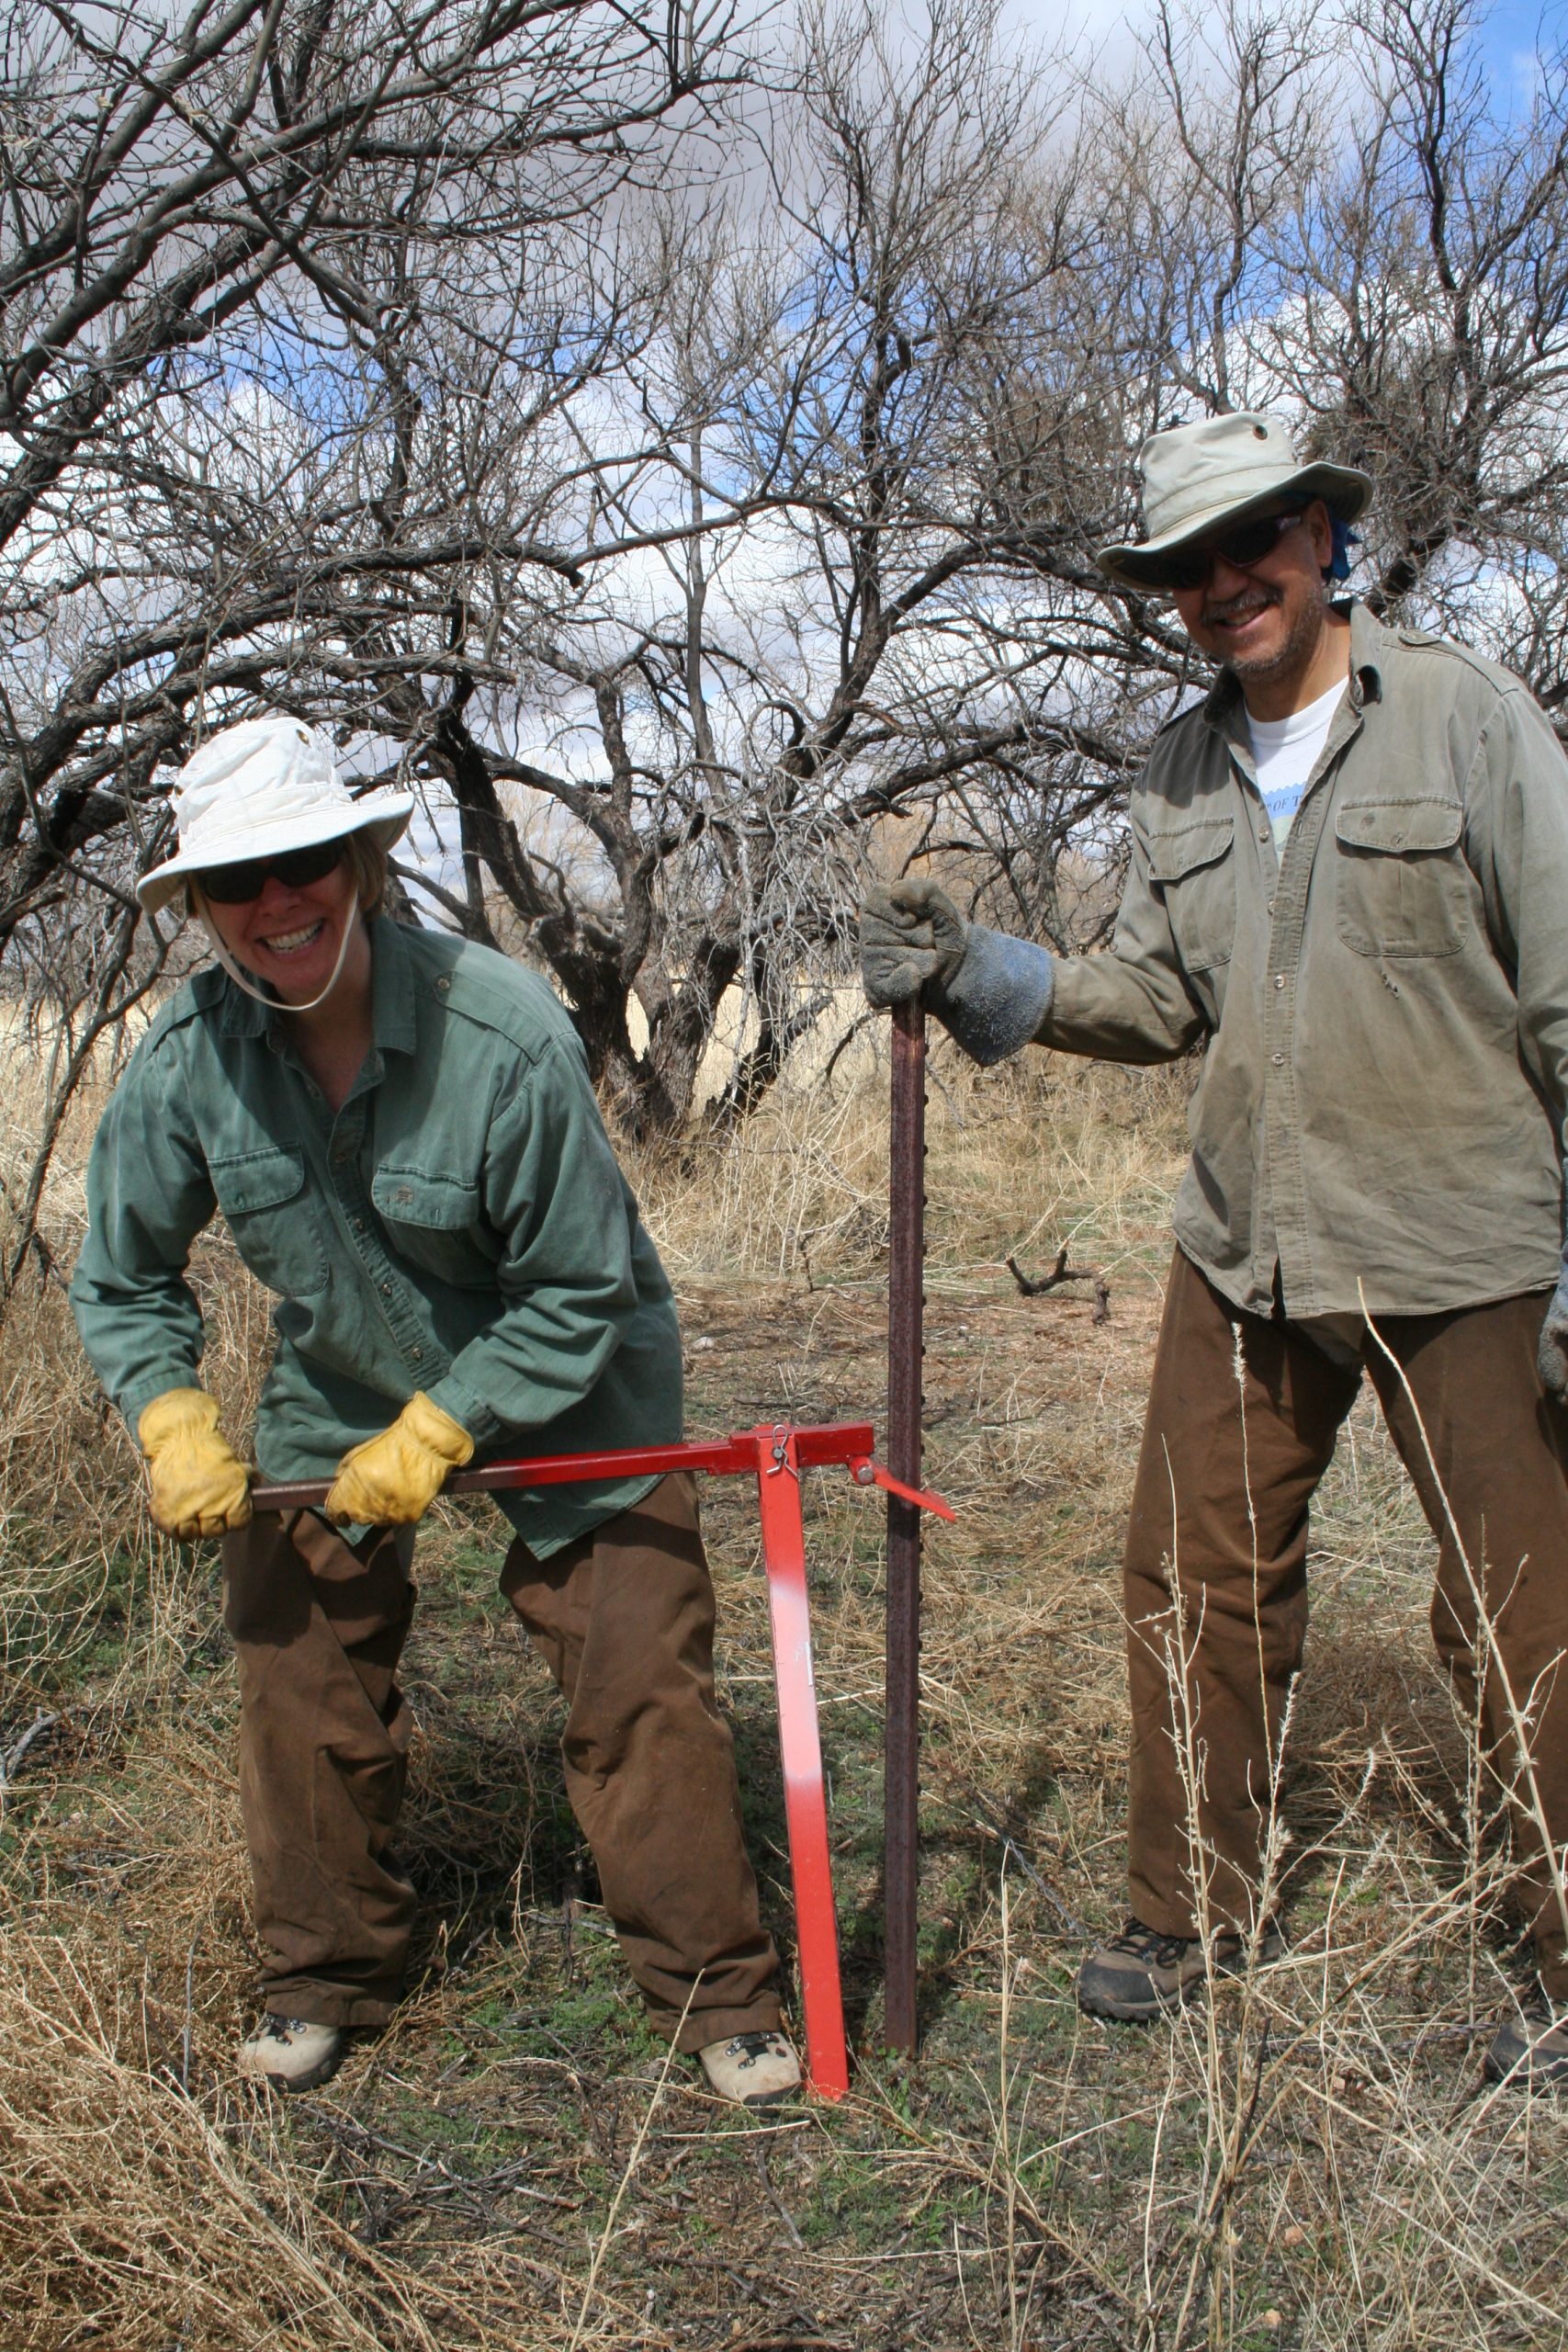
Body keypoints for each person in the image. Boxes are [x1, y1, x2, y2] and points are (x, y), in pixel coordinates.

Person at [859, 411, 1568, 2087]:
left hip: (1467, 1248)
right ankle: (1188, 1916)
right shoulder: (1180, 768)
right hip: (1245, 1248)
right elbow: (1163, 998)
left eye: (1253, 541)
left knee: (1527, 1612)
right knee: (1189, 1581)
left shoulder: (1465, 718)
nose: (1223, 581)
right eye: (1186, 564)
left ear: (1326, 535)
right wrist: (982, 973)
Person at [70, 717, 801, 2105]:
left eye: (303, 862)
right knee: (293, 1657)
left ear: (357, 861)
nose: (279, 904)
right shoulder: (185, 1061)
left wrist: (452, 1426)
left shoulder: (504, 1029)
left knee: (638, 1669)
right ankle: (323, 1971)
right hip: (341, 1380)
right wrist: (169, 1412)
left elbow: (583, 1289)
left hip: (571, 1377)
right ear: (205, 910)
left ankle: (720, 1989)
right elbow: (121, 1275)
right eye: (241, 882)